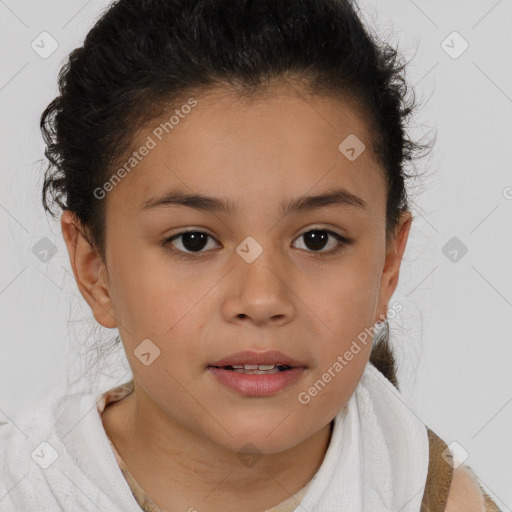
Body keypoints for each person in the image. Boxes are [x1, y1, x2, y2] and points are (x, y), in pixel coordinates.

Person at [0, 0, 501, 510]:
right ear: (95, 271)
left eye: (317, 239)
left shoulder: (435, 497)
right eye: (193, 240)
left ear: (388, 265)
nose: (261, 300)